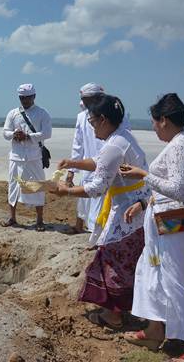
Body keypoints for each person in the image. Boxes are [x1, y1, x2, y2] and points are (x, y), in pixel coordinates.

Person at [121, 93, 184, 362]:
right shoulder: (177, 143)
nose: (153, 127)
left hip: (179, 223)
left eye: (154, 121)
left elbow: (179, 189)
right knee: (151, 270)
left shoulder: (181, 146)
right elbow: (170, 190)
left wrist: (143, 175)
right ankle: (154, 329)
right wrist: (145, 205)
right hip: (171, 220)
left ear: (164, 120)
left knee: (176, 283)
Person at [51, 94, 149, 329]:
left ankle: (113, 315)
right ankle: (127, 310)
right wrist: (73, 163)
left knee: (113, 261)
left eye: (93, 121)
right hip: (134, 208)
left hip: (127, 212)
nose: (92, 126)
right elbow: (99, 161)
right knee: (123, 260)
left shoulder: (115, 145)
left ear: (103, 120)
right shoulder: (122, 138)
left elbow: (97, 187)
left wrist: (67, 191)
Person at [1, 83, 52, 231]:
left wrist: (28, 136)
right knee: (13, 186)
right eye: (22, 98)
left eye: (28, 98)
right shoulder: (13, 113)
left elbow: (47, 133)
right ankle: (12, 218)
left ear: (34, 97)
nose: (25, 100)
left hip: (34, 157)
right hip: (16, 157)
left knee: (38, 186)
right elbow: (5, 132)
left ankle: (40, 220)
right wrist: (14, 134)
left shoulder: (43, 113)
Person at [65, 83, 106, 234]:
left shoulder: (112, 115)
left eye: (88, 100)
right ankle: (78, 226)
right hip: (87, 165)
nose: (85, 103)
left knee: (102, 202)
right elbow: (78, 145)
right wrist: (71, 172)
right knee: (84, 199)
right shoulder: (82, 117)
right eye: (83, 100)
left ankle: (98, 234)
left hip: (106, 165)